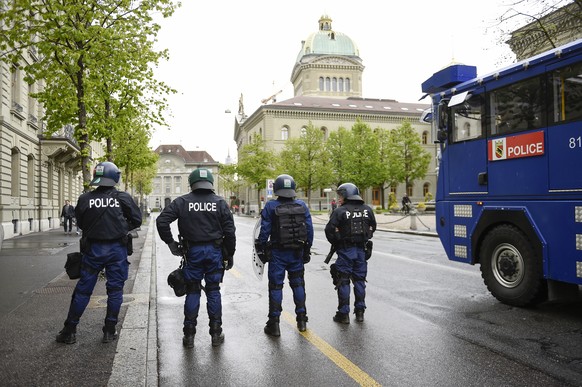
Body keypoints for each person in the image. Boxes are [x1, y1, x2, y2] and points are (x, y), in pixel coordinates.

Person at [56, 161, 142, 344]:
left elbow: (80, 222)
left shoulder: (85, 198)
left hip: (93, 249)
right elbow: (137, 220)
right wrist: (120, 227)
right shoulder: (122, 197)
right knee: (115, 290)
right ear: (115, 177)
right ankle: (109, 331)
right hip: (117, 250)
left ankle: (69, 330)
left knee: (83, 291)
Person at [156, 168, 236, 348]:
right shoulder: (220, 203)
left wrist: (171, 243)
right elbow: (230, 232)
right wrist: (229, 254)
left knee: (192, 291)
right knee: (213, 291)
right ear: (210, 183)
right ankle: (216, 334)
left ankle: (189, 336)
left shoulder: (182, 202)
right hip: (214, 252)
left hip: (192, 252)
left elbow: (162, 221)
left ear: (191, 183)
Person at [255, 174, 314, 336]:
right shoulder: (302, 205)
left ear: (277, 189)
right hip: (297, 252)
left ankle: (274, 325)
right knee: (298, 284)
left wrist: (261, 247)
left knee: (276, 287)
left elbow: (264, 230)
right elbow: (309, 230)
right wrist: (307, 249)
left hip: (278, 254)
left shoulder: (271, 206)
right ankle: (302, 320)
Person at [325, 183, 376, 324]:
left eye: (340, 195)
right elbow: (373, 227)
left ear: (347, 195)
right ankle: (360, 312)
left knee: (343, 280)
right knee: (359, 280)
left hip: (346, 250)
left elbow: (329, 230)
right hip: (361, 250)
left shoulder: (340, 211)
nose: (339, 198)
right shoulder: (367, 210)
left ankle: (344, 314)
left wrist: (338, 240)